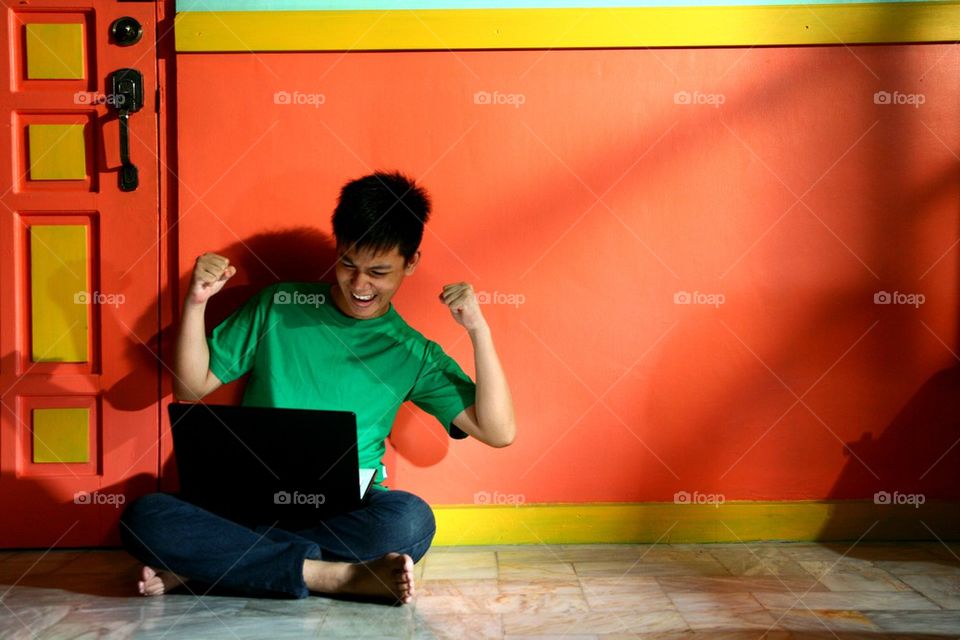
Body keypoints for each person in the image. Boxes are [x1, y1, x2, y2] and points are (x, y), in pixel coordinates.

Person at [119, 171, 516, 604]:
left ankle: (210, 568)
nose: (360, 285)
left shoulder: (413, 353)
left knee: (410, 521)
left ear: (411, 263)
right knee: (145, 516)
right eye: (348, 264)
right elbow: (191, 388)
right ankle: (332, 576)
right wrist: (196, 302)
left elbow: (497, 432)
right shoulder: (278, 305)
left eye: (379, 272)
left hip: (340, 513)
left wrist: (478, 329)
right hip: (245, 501)